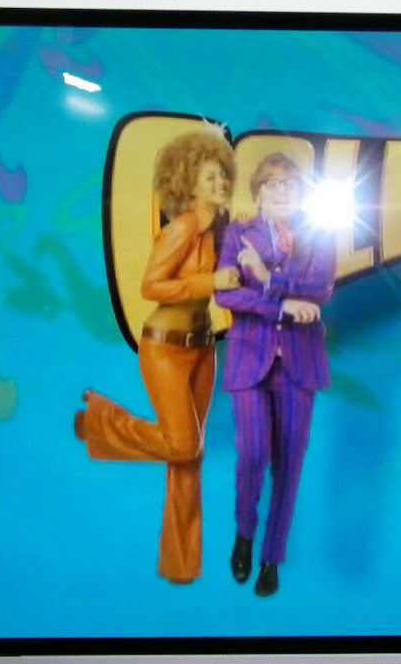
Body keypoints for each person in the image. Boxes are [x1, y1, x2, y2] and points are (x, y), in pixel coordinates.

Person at [75, 123, 239, 584]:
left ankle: (180, 565)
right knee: (183, 444)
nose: (220, 183)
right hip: (165, 349)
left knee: (188, 459)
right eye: (210, 177)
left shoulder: (219, 229)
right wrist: (209, 281)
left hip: (203, 348)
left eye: (223, 175)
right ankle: (98, 423)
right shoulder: (182, 229)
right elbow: (152, 286)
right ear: (189, 184)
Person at [214, 153, 336, 597]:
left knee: (289, 465)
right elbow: (226, 295)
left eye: (290, 185)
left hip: (300, 364)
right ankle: (244, 532)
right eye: (272, 184)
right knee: (251, 454)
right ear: (259, 192)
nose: (281, 192)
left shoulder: (320, 234)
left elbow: (320, 289)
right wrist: (280, 305)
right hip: (250, 360)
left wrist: (267, 279)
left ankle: (271, 557)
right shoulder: (236, 233)